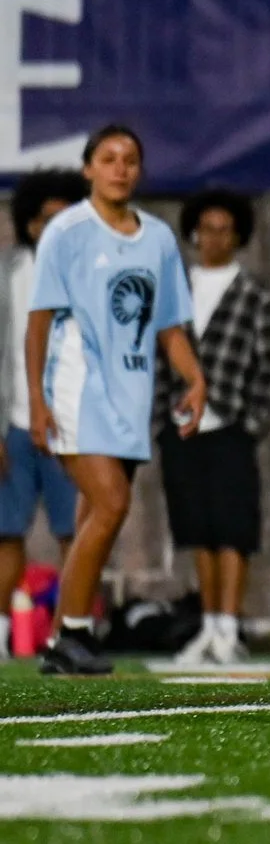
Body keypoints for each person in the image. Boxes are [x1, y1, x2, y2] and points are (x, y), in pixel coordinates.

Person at [24, 125, 207, 677]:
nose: (120, 168)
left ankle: (63, 635)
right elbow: (39, 324)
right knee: (111, 505)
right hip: (78, 391)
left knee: (92, 516)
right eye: (108, 158)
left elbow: (170, 325)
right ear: (89, 169)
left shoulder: (155, 239)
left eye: (130, 159)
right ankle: (74, 632)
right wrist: (37, 400)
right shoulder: (68, 231)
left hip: (131, 400)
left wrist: (195, 381)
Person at [157, 189, 270, 667]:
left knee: (234, 529)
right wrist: (160, 420)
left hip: (230, 424)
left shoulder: (254, 296)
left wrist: (252, 423)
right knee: (197, 529)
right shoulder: (176, 291)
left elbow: (267, 368)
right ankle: (207, 626)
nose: (214, 238)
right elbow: (158, 357)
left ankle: (229, 628)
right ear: (193, 232)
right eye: (206, 228)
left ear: (238, 236)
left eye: (224, 229)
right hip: (182, 427)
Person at [1, 169, 88, 636]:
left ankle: (68, 631)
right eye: (45, 219)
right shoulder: (8, 272)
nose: (53, 229)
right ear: (30, 224)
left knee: (74, 531)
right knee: (6, 532)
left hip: (69, 426)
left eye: (65, 219)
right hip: (13, 425)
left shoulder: (87, 276)